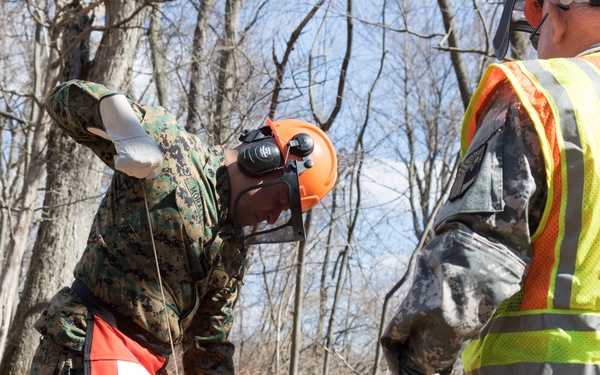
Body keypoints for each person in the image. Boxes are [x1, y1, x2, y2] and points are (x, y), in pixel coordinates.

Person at [31, 79, 338, 374]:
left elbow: (209, 347)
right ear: (264, 157)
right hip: (87, 340)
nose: (273, 217)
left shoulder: (230, 253)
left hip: (146, 363)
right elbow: (64, 98)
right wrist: (119, 121)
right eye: (280, 199)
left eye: (284, 213)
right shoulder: (173, 147)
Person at [380, 0, 600, 374]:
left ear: (559, 12)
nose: (538, 45)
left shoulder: (545, 98)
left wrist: (415, 364)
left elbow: (470, 266)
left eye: (536, 29)